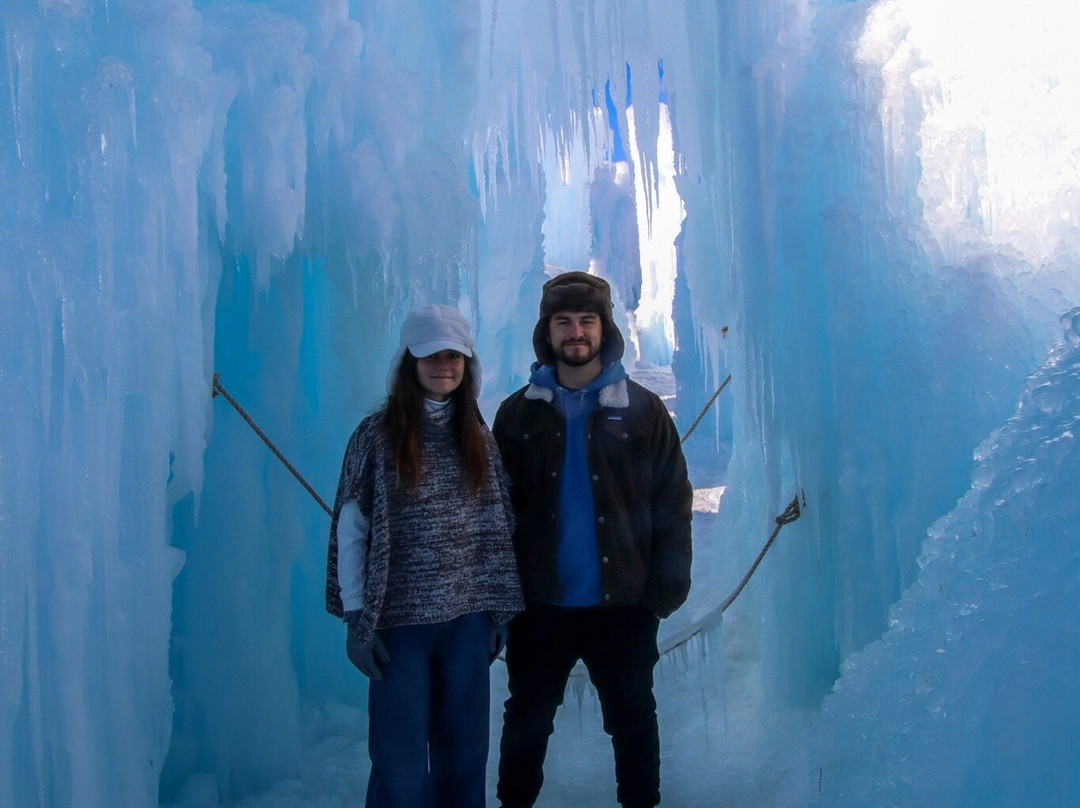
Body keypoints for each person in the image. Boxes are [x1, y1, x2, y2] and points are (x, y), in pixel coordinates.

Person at [493, 271, 693, 808]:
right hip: (539, 606)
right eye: (564, 322)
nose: (576, 332)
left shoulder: (645, 410)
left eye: (587, 321)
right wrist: (499, 598)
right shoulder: (517, 413)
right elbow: (495, 513)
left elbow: (673, 500)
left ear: (604, 329)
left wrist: (662, 593)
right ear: (547, 332)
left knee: (632, 720)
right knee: (527, 722)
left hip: (624, 603)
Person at [325, 304, 523, 808]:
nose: (444, 365)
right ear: (409, 362)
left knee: (465, 752)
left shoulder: (477, 435)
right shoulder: (376, 435)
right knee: (400, 757)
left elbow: (496, 526)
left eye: (454, 355)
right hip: (400, 621)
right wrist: (355, 616)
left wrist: (497, 607)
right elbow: (353, 527)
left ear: (467, 364)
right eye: (432, 354)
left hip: (467, 620)